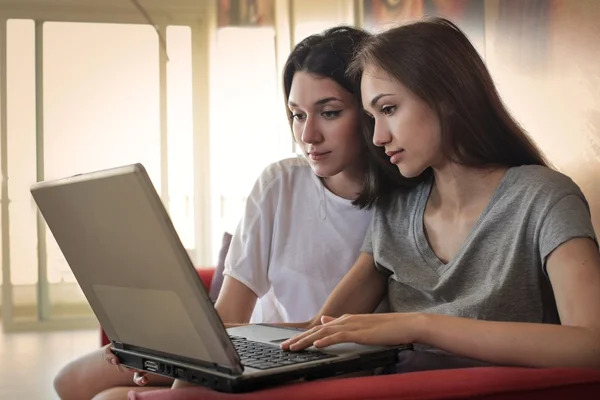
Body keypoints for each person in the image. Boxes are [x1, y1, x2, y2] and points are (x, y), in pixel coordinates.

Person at [53, 26, 400, 400]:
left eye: (329, 113)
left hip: (318, 363)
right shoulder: (280, 182)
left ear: (368, 111)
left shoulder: (399, 205)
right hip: (252, 352)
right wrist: (172, 356)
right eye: (297, 115)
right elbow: (232, 310)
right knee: (71, 380)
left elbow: (332, 330)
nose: (308, 135)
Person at [282, 18, 600, 371]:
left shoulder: (543, 199)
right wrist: (230, 338)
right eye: (373, 117)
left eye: (389, 109)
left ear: (447, 97)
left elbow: (590, 345)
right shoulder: (396, 210)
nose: (378, 137)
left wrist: (422, 325)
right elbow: (320, 330)